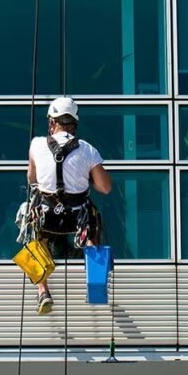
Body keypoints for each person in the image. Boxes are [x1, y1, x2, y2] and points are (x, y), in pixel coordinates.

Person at [27, 97, 112, 314]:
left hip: (47, 217)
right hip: (77, 218)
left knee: (36, 239)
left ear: (52, 122)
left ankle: (42, 291)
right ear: (74, 123)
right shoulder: (87, 150)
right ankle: (95, 284)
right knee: (91, 236)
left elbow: (31, 179)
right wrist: (86, 176)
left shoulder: (36, 145)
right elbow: (105, 188)